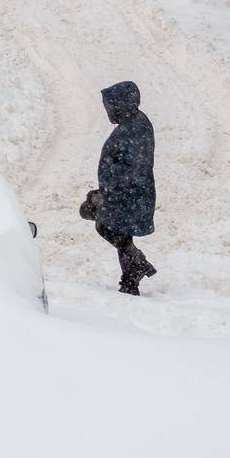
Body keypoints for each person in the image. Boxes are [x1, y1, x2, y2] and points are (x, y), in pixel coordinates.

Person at [90, 80, 158, 296]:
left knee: (112, 229)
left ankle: (133, 275)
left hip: (129, 194)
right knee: (116, 231)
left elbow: (135, 167)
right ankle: (132, 275)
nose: (108, 111)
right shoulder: (132, 124)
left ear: (121, 104)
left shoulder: (134, 128)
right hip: (126, 193)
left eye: (110, 106)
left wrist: (109, 190)